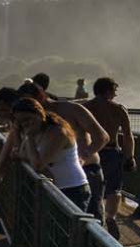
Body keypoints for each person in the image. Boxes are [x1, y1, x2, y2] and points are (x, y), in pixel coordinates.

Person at [18, 81, 109, 217]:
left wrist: (83, 156)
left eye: (31, 102)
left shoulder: (71, 109)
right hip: (57, 180)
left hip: (87, 171)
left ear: (41, 96)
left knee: (92, 220)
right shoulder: (37, 120)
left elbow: (102, 137)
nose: (29, 107)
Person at [12, 97, 91, 210]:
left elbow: (37, 164)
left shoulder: (57, 132)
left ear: (39, 113)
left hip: (72, 189)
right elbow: (22, 153)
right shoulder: (35, 131)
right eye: (21, 122)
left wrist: (28, 137)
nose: (26, 123)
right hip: (53, 189)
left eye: (28, 118)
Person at [84, 77, 134, 238]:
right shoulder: (118, 109)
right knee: (114, 188)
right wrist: (130, 157)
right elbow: (127, 135)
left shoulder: (86, 108)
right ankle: (111, 217)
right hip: (112, 151)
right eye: (114, 91)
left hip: (91, 152)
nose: (116, 94)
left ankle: (93, 219)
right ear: (107, 91)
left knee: (93, 188)